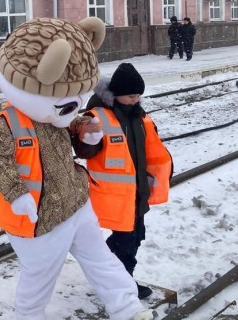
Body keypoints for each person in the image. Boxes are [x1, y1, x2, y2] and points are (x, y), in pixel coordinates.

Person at [0, 17, 153, 320]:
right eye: (67, 105)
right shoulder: (9, 123)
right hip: (39, 218)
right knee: (39, 278)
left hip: (75, 202)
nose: (72, 110)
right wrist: (17, 193)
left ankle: (127, 307)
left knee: (101, 260)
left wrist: (85, 130)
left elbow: (67, 124)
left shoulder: (54, 115)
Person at [72, 63, 173, 300]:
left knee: (135, 236)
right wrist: (88, 138)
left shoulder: (139, 116)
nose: (136, 99)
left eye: (138, 95)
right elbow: (85, 152)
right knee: (126, 240)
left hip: (137, 191)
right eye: (131, 95)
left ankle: (113, 276)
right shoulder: (97, 117)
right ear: (116, 94)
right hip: (114, 194)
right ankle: (119, 281)